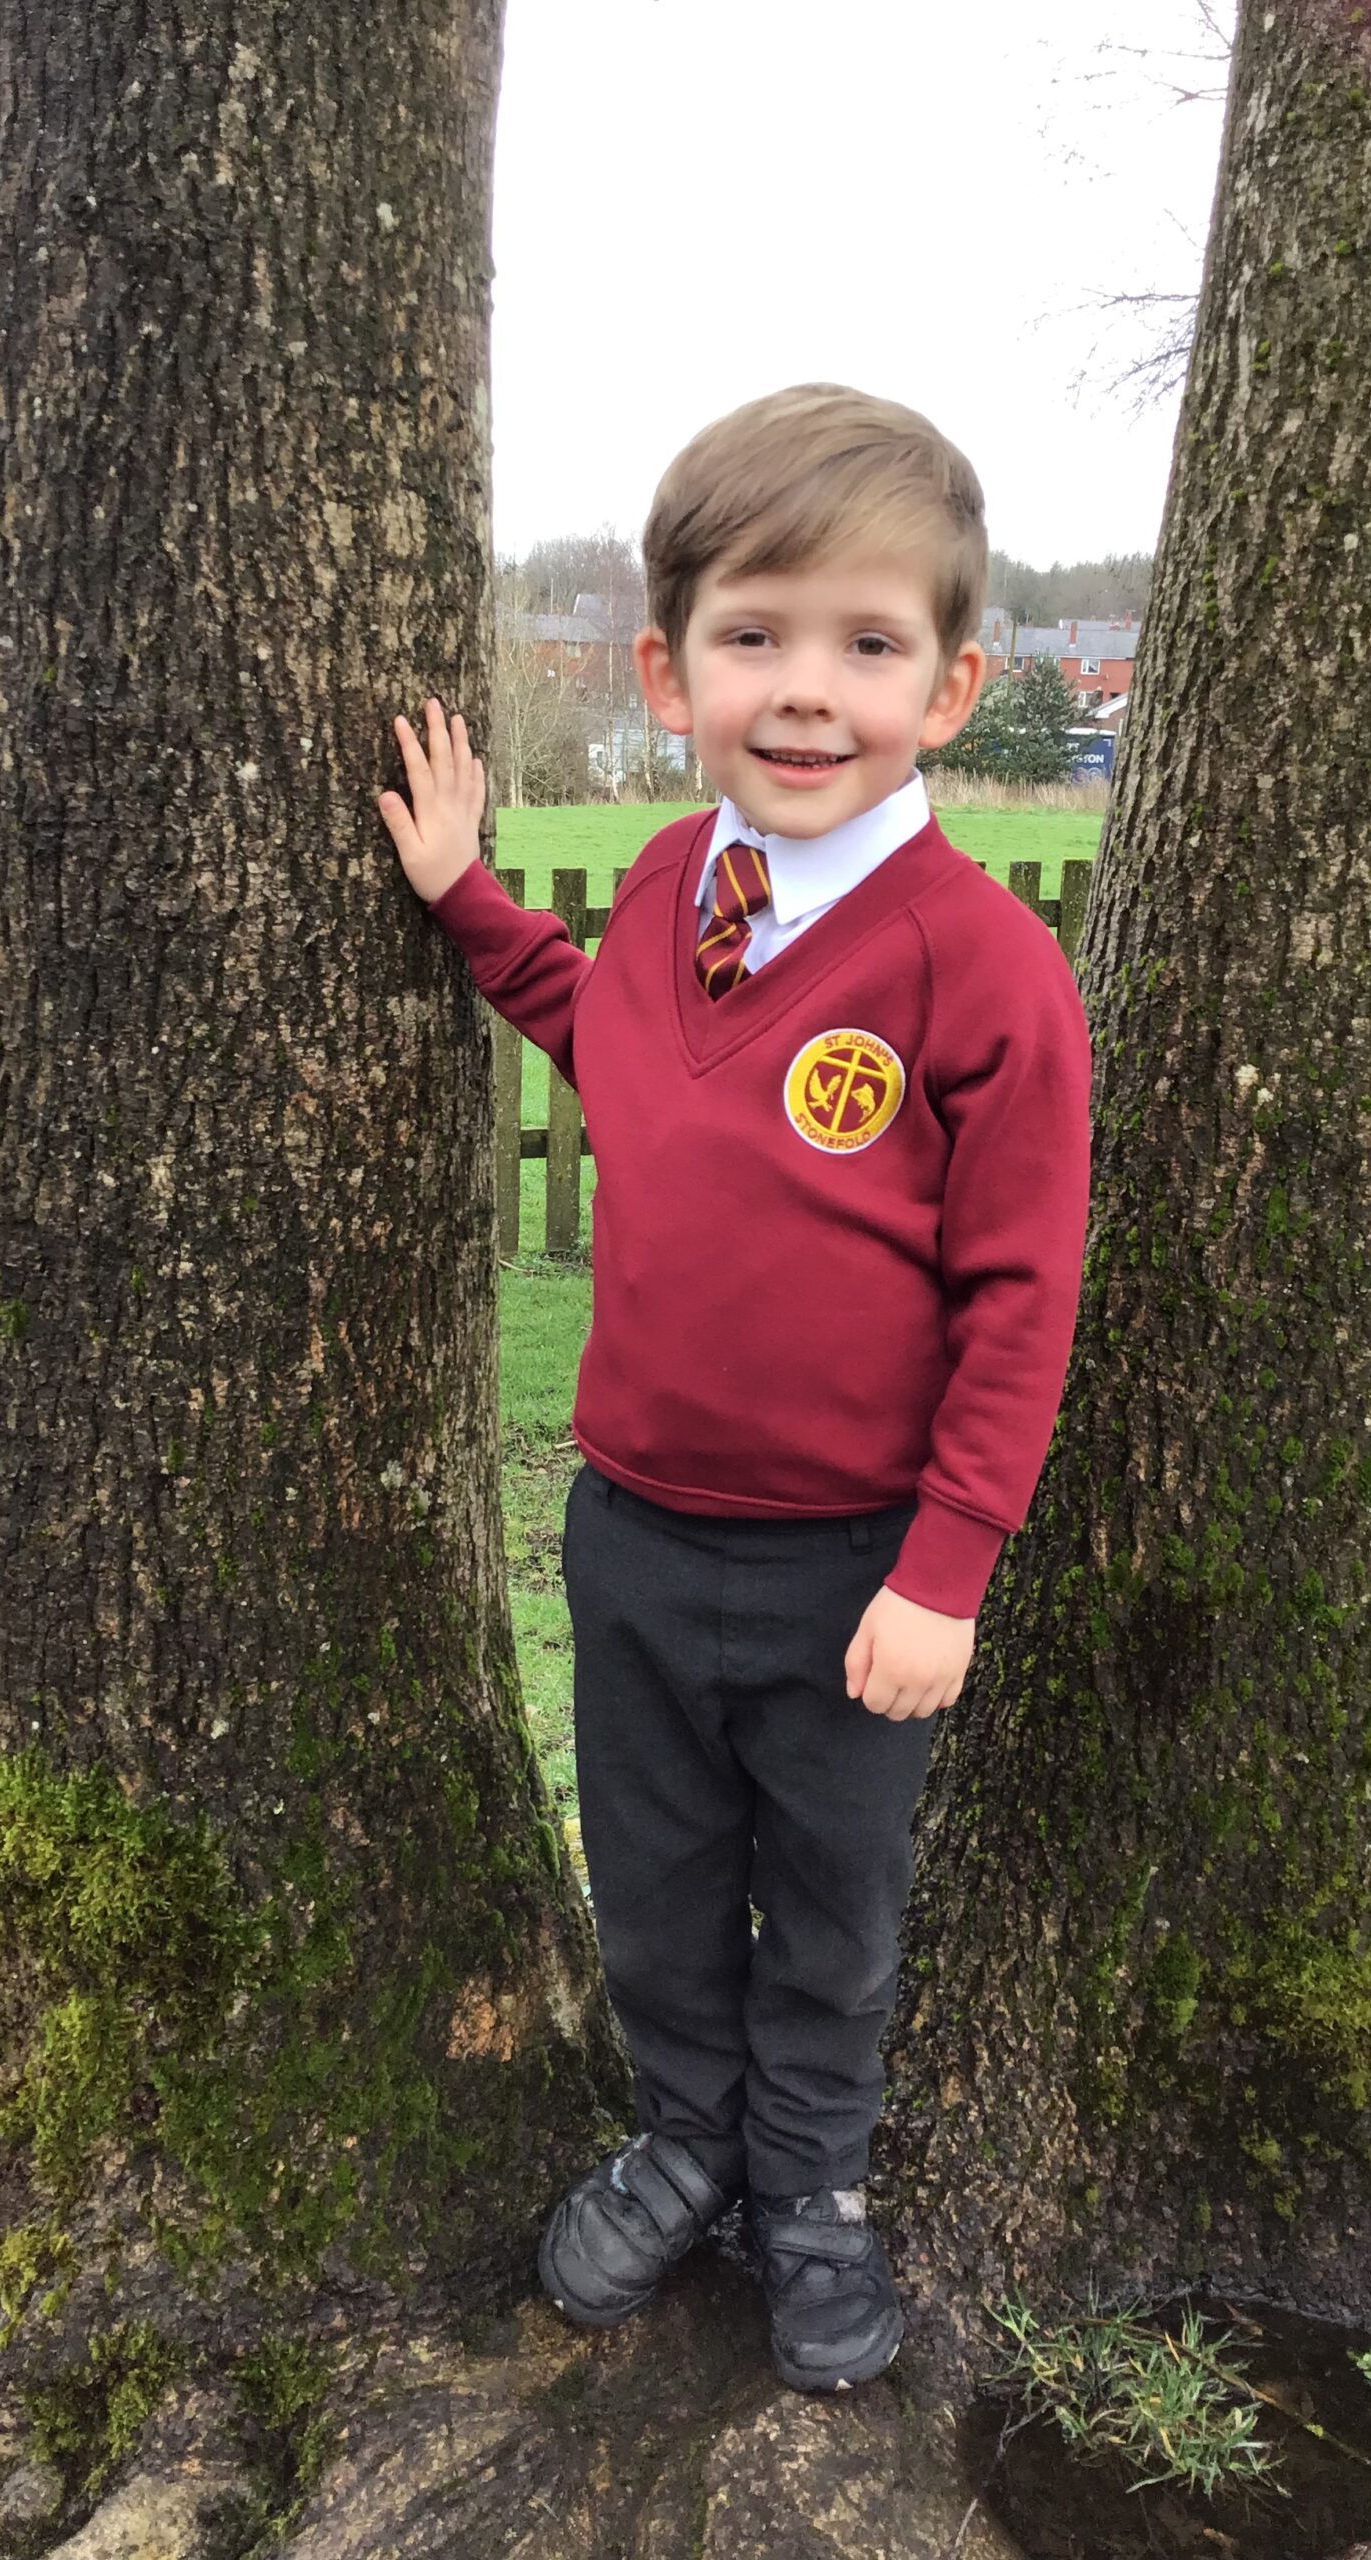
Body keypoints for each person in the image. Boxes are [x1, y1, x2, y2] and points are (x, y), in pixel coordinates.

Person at [378, 383, 1092, 2393]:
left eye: (866, 643)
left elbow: (1022, 1295)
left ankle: (812, 2188)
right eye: (754, 635)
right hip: (629, 1534)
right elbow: (603, 1031)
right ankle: (687, 2137)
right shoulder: (666, 890)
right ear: (666, 672)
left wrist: (948, 1569)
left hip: (858, 1573)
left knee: (835, 1907)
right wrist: (465, 896)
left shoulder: (982, 970)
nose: (804, 689)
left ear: (950, 689)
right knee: (660, 1880)